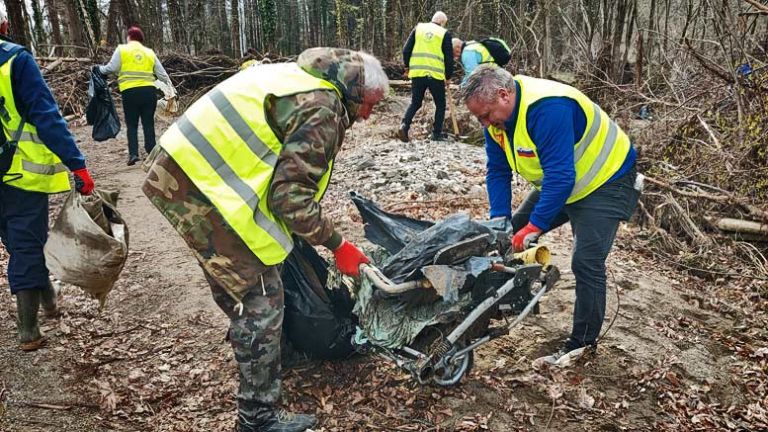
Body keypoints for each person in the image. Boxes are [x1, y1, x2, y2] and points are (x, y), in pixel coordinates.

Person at [142, 48, 388, 432]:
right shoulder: (323, 107)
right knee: (259, 299)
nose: (369, 116)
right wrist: (339, 245)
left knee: (248, 278)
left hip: (182, 167)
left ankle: (273, 354)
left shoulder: (300, 76)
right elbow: (289, 197)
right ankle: (257, 417)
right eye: (370, 105)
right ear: (355, 91)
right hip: (199, 185)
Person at [461, 64, 640, 367]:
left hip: (607, 182)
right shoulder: (496, 123)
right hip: (565, 183)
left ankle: (581, 345)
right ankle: (499, 304)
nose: (484, 123)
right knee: (506, 234)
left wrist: (535, 226)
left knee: (586, 262)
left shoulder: (548, 108)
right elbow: (498, 171)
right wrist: (501, 221)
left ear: (504, 95)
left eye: (486, 115)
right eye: (479, 117)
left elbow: (560, 176)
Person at [0, 10, 94, 351]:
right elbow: (46, 115)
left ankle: (49, 300)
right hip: (20, 174)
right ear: (4, 25)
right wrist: (77, 164)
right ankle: (28, 329)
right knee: (25, 244)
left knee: (17, 242)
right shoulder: (15, 61)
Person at [98, 25, 175, 166]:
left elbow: (111, 68)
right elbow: (162, 74)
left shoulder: (122, 50)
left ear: (129, 37)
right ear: (141, 39)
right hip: (148, 92)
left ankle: (133, 154)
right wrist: (170, 88)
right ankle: (151, 151)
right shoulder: (149, 52)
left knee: (132, 124)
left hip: (130, 93)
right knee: (148, 123)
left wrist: (98, 69)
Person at [398, 11, 454, 142]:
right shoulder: (443, 34)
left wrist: (407, 66)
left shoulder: (418, 29)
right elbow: (448, 58)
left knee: (415, 102)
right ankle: (436, 133)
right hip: (435, 75)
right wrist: (448, 76)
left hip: (417, 73)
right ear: (442, 22)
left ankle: (404, 125)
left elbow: (406, 50)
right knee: (440, 104)